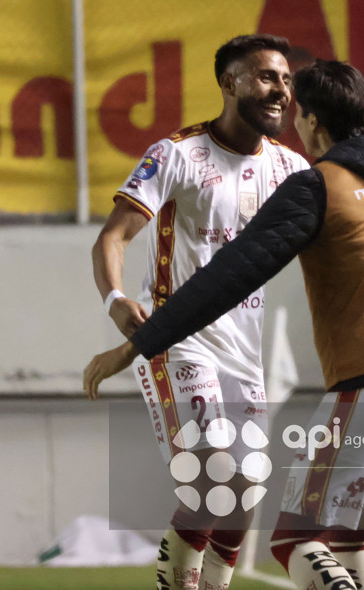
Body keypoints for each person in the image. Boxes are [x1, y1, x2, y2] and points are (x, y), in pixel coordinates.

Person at [84, 59, 364, 590]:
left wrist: (135, 345)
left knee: (294, 538)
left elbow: (229, 276)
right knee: (352, 537)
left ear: (312, 121)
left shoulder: (316, 182)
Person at [89, 33, 309, 590]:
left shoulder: (290, 168)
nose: (281, 90)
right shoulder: (177, 155)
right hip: (179, 341)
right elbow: (112, 237)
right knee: (214, 475)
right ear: (229, 82)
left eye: (286, 80)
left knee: (245, 490)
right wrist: (116, 300)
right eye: (267, 77)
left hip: (244, 350)